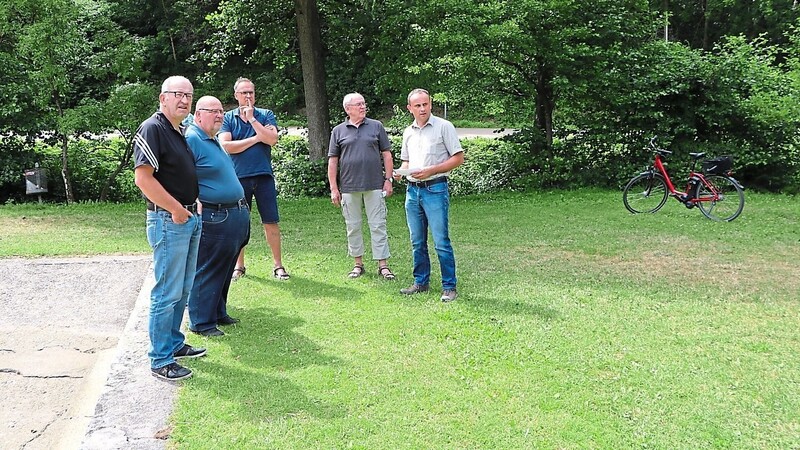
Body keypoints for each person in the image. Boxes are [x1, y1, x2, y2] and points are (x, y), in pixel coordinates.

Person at [133, 76, 206, 381]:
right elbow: (143, 178)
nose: (184, 100)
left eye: (188, 95)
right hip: (168, 220)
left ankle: (174, 343)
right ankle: (160, 358)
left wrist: (194, 203)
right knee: (167, 291)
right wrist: (176, 208)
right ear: (162, 97)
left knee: (183, 288)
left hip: (187, 218)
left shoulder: (179, 130)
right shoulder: (153, 128)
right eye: (178, 94)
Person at [185, 96, 251, 337]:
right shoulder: (192, 138)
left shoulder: (212, 140)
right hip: (216, 214)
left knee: (225, 266)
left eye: (221, 111)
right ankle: (201, 321)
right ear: (198, 114)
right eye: (212, 111)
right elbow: (180, 175)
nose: (219, 115)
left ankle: (218, 311)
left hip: (233, 213)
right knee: (209, 267)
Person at [218, 77, 290, 281]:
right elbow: (226, 146)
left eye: (251, 92)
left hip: (264, 176)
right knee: (240, 223)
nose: (248, 96)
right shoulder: (228, 118)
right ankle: (239, 266)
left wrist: (252, 121)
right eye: (244, 93)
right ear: (236, 95)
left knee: (271, 221)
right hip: (238, 178)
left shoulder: (265, 114)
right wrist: (257, 138)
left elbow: (272, 139)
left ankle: (278, 265)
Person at [397, 88, 464, 302]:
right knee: (417, 241)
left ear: (431, 104)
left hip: (435, 188)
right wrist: (400, 172)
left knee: (441, 241)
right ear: (410, 109)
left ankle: (449, 286)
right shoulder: (408, 132)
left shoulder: (444, 127)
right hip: (412, 191)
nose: (422, 108)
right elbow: (406, 160)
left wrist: (431, 170)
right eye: (417, 105)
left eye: (425, 104)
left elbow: (458, 158)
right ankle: (421, 282)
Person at [328, 93, 396, 279]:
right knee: (353, 226)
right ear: (347, 109)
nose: (362, 107)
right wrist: (334, 188)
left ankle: (383, 265)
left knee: (378, 224)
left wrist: (388, 179)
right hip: (349, 187)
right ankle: (358, 264)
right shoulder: (338, 131)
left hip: (374, 185)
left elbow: (387, 155)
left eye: (363, 103)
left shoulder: (376, 126)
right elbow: (333, 161)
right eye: (358, 104)